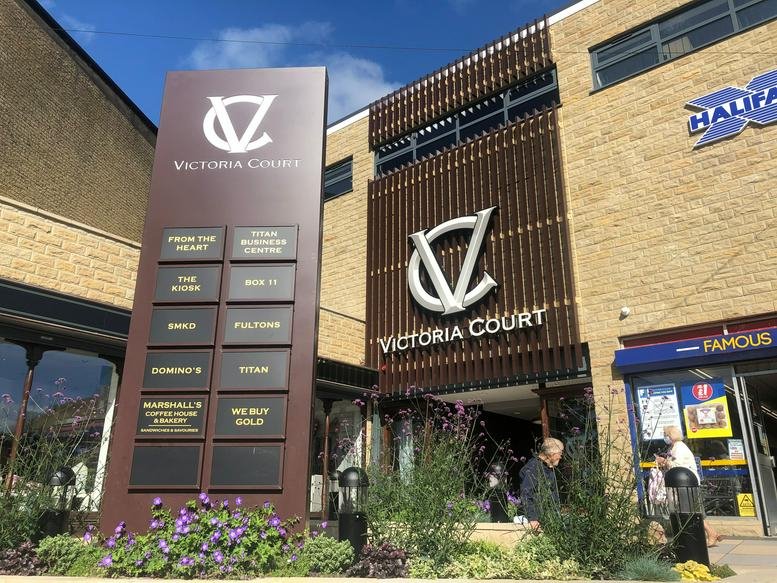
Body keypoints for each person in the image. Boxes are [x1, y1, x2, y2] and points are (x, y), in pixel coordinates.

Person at [655, 425, 722, 547]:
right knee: (692, 510)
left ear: (671, 435)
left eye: (666, 434)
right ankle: (711, 533)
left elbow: (678, 465)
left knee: (692, 510)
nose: (665, 437)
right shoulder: (674, 447)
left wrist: (663, 461)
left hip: (686, 483)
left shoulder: (679, 448)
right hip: (682, 483)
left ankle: (711, 533)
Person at [519, 437, 564, 530]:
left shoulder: (548, 468)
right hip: (539, 521)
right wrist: (533, 518)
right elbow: (526, 494)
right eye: (560, 453)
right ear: (551, 454)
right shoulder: (534, 468)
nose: (560, 457)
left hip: (550, 520)